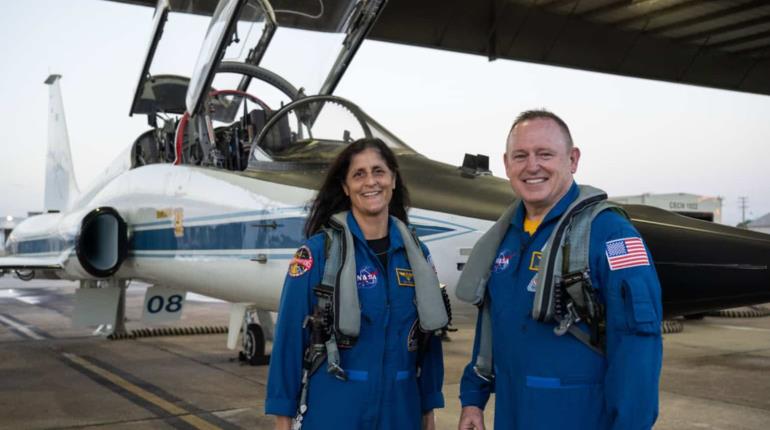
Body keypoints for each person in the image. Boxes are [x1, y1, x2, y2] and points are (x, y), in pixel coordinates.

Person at [456, 110, 663, 429]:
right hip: (512, 415)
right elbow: (490, 325)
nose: (532, 166)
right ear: (507, 163)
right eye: (520, 156)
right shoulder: (503, 238)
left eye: (545, 154)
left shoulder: (610, 233)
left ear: (573, 159)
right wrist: (473, 399)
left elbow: (638, 342)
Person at [266, 138, 447, 430]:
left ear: (393, 179)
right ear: (346, 187)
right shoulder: (316, 254)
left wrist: (429, 407)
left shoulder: (417, 255)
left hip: (401, 411)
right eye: (358, 174)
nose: (370, 182)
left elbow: (428, 339)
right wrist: (282, 418)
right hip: (336, 408)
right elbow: (289, 338)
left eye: (378, 171)